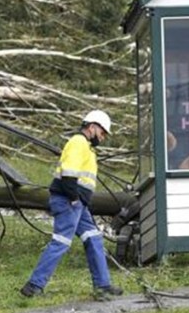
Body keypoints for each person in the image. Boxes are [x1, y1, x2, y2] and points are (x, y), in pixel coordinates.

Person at [20, 110, 124, 300]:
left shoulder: (86, 147)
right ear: (92, 127)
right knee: (61, 242)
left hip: (78, 204)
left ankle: (103, 286)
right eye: (102, 133)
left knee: (94, 239)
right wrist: (74, 199)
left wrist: (79, 202)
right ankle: (33, 286)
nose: (103, 138)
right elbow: (68, 174)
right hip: (69, 201)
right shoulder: (78, 143)